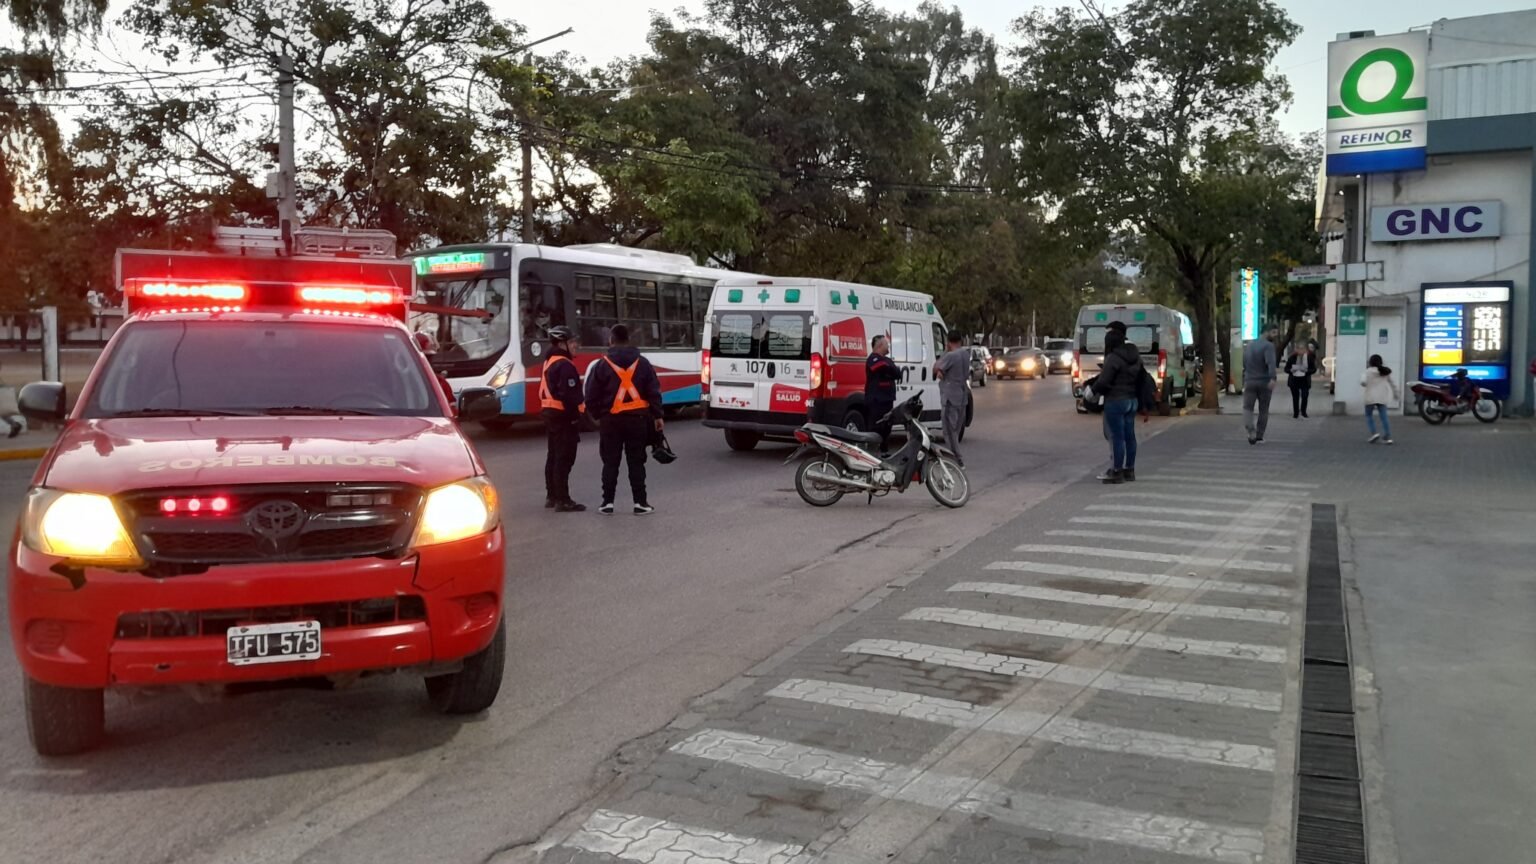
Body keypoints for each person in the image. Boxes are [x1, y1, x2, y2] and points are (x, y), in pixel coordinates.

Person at [584, 324, 664, 514]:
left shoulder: (601, 365)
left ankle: (607, 503)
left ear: (611, 340)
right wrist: (658, 415)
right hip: (638, 420)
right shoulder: (643, 363)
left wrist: (599, 415)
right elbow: (654, 392)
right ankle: (640, 503)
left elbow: (590, 396)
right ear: (629, 340)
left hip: (610, 421)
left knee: (610, 461)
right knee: (636, 461)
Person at [539, 326, 586, 512]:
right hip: (563, 416)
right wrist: (575, 417)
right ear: (562, 344)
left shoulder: (550, 361)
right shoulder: (565, 365)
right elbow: (569, 395)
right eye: (573, 342)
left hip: (551, 414)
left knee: (553, 456)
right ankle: (563, 500)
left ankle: (551, 495)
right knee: (564, 458)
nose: (576, 345)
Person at [1092, 323, 1146, 484]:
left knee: (1117, 437)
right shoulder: (1135, 356)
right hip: (1132, 400)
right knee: (1130, 436)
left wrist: (1091, 392)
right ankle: (1130, 470)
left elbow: (1104, 381)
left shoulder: (1113, 358)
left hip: (1116, 400)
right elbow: (1141, 378)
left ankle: (1116, 471)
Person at [932, 332, 971, 465]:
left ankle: (956, 459)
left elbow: (936, 369)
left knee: (949, 431)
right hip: (962, 395)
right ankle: (955, 457)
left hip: (950, 397)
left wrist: (943, 354)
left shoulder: (950, 356)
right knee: (956, 428)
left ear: (948, 342)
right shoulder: (965, 354)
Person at [864, 335, 901, 452]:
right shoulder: (872, 359)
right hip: (876, 402)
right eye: (886, 344)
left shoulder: (887, 360)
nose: (888, 345)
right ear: (880, 345)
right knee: (875, 430)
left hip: (887, 401)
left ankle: (884, 452)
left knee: (887, 429)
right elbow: (878, 367)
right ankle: (871, 453)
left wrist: (888, 368)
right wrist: (889, 368)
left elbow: (897, 373)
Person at [1242, 327, 1278, 444]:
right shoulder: (1268, 346)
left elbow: (1245, 362)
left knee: (1248, 408)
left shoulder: (1249, 345)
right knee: (1263, 409)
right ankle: (1259, 435)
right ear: (1266, 332)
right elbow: (1270, 363)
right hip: (1264, 382)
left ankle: (1250, 431)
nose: (1275, 336)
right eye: (1273, 332)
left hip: (1249, 381)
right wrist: (1273, 378)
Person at [1361, 354, 1400, 445]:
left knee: (1369, 416)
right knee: (1384, 417)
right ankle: (1388, 436)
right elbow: (1392, 383)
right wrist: (1396, 394)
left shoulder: (1367, 372)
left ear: (1370, 362)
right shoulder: (1385, 371)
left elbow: (1363, 382)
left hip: (1370, 397)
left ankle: (1374, 433)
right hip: (1382, 396)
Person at [1284, 341, 1318, 419]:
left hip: (1305, 380)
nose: (1300, 351)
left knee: (1305, 396)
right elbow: (1286, 369)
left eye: (1302, 349)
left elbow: (1314, 369)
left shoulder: (1309, 357)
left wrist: (1307, 371)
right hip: (1294, 380)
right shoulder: (1292, 357)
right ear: (1296, 349)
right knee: (1295, 397)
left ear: (1306, 350)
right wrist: (1291, 370)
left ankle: (1303, 412)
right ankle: (1296, 413)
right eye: (1298, 349)